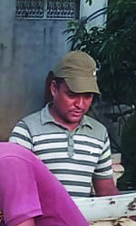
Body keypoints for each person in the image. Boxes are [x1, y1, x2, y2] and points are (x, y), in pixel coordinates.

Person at [9, 51, 119, 199]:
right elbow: (14, 189)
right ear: (54, 89)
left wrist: (132, 208)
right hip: (40, 221)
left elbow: (105, 190)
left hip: (83, 221)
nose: (80, 105)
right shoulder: (27, 130)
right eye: (72, 95)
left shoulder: (99, 133)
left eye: (87, 96)